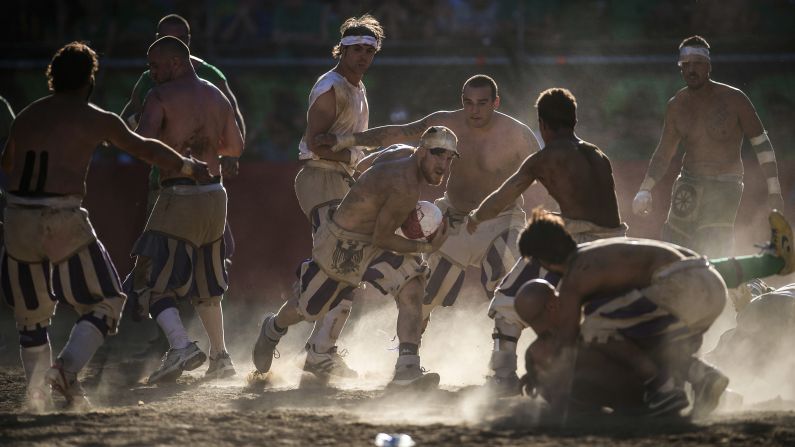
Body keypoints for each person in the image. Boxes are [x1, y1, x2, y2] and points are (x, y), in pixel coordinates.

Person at [0, 42, 210, 411]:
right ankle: (65, 371)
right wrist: (189, 166)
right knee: (107, 300)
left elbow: (7, 163)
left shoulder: (28, 116)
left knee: (30, 320)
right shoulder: (93, 116)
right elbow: (145, 148)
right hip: (60, 215)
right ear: (89, 80)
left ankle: (36, 399)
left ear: (52, 77)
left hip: (16, 217)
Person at [318, 74, 540, 376]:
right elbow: (398, 134)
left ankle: (504, 367)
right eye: (467, 103)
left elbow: (544, 173)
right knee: (422, 295)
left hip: (502, 219)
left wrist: (551, 222)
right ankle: (407, 361)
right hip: (454, 218)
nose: (474, 110)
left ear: (496, 102)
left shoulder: (518, 135)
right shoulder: (446, 125)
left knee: (504, 289)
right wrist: (347, 140)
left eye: (482, 103)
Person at [515, 208, 794, 420]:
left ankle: (664, 387)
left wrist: (558, 406)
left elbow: (566, 343)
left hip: (687, 290)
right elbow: (697, 266)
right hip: (707, 287)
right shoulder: (602, 255)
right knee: (624, 333)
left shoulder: (577, 277)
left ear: (543, 261)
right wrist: (768, 264)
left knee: (594, 329)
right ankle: (701, 375)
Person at [252, 126, 458, 388]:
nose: (443, 165)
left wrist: (370, 200)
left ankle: (407, 368)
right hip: (343, 243)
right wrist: (426, 247)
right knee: (309, 309)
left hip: (372, 238)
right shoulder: (405, 187)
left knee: (413, 284)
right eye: (438, 155)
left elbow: (362, 165)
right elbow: (382, 238)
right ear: (422, 151)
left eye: (449, 158)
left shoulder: (401, 153)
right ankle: (273, 329)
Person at [466, 88, 627, 394]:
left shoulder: (545, 158)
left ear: (542, 125)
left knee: (507, 303)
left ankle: (502, 377)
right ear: (573, 119)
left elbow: (504, 196)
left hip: (577, 247)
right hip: (617, 246)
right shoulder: (598, 155)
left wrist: (475, 217)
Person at [120, 13, 245, 358]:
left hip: (176, 193)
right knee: (208, 285)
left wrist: (166, 139)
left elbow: (143, 145)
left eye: (155, 65)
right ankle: (220, 357)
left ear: (175, 61)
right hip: (215, 194)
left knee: (152, 280)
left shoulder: (159, 95)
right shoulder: (216, 92)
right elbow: (234, 147)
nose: (152, 72)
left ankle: (179, 345)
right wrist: (204, 144)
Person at [632, 35, 785, 257]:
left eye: (697, 64)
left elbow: (762, 144)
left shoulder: (734, 99)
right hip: (688, 183)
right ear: (680, 68)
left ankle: (716, 287)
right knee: (674, 246)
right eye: (686, 65)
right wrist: (645, 188)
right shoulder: (676, 106)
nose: (691, 70)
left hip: (725, 184)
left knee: (712, 246)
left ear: (708, 67)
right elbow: (664, 153)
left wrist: (774, 189)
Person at [292, 14, 384, 381]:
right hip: (320, 178)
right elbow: (315, 145)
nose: (363, 56)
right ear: (342, 49)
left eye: (369, 50)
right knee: (340, 264)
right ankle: (293, 334)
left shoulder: (357, 89)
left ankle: (321, 351)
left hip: (339, 180)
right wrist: (352, 158)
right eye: (356, 49)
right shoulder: (331, 87)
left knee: (350, 267)